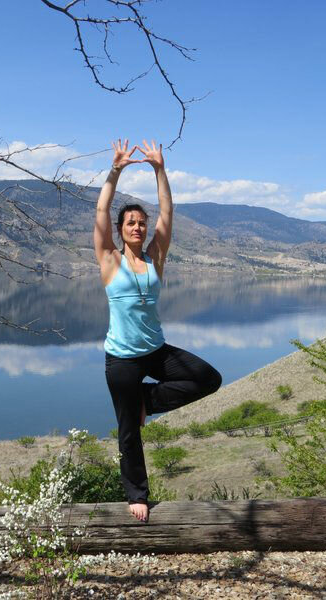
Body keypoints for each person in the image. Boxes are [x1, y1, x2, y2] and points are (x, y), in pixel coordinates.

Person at [94, 138, 222, 523]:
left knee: (207, 378)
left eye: (141, 222)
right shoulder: (109, 259)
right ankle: (137, 494)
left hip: (155, 350)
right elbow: (101, 208)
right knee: (129, 430)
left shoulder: (155, 259)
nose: (138, 226)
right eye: (130, 222)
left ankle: (148, 401)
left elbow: (168, 210)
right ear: (120, 230)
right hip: (122, 359)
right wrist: (115, 170)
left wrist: (159, 169)